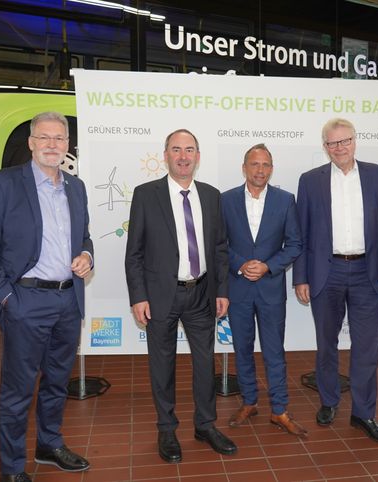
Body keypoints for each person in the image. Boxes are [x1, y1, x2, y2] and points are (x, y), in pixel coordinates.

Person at [0, 112, 94, 482]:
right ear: (30, 143)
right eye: (44, 138)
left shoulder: (76, 187)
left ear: (68, 145)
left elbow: (83, 236)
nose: (52, 145)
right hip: (25, 303)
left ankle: (49, 445)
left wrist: (87, 256)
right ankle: (11, 470)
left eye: (59, 138)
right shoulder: (2, 184)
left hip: (68, 301)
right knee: (18, 391)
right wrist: (8, 297)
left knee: (57, 382)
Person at [124, 129, 237, 463]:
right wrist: (138, 296)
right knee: (163, 365)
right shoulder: (146, 194)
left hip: (202, 292)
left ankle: (205, 425)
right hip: (161, 296)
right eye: (177, 149)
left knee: (205, 363)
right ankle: (167, 430)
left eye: (190, 149)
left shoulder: (212, 195)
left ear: (198, 156)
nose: (183, 156)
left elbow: (219, 247)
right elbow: (135, 253)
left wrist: (222, 290)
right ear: (166, 155)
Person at [293, 118, 378, 444]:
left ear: (355, 141)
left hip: (368, 271)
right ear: (325, 147)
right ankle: (328, 401)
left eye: (345, 141)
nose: (340, 148)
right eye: (333, 143)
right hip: (327, 273)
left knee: (367, 347)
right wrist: (301, 277)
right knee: (327, 343)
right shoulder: (310, 181)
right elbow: (301, 233)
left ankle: (364, 413)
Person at [221, 144, 305, 436]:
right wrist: (242, 265)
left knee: (273, 351)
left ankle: (279, 410)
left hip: (270, 290)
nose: (260, 170)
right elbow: (220, 244)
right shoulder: (226, 200)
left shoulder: (285, 200)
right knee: (242, 349)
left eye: (266, 165)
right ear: (244, 168)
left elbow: (294, 244)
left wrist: (268, 266)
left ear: (272, 169)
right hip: (239, 287)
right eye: (255, 164)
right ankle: (249, 402)